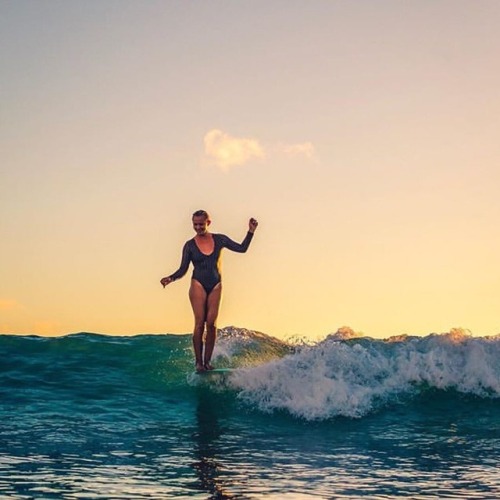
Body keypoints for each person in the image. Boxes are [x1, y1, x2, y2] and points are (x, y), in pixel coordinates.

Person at [161, 210, 258, 372]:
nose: (198, 227)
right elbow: (183, 269)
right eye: (195, 224)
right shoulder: (190, 245)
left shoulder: (220, 239)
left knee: (212, 325)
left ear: (208, 223)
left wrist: (250, 232)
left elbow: (242, 249)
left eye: (201, 224)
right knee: (199, 324)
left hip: (216, 284)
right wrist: (170, 278)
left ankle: (207, 362)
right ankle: (198, 363)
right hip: (198, 283)